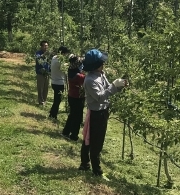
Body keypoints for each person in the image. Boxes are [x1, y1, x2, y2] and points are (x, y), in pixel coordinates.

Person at [79, 49, 128, 180]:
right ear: (96, 65)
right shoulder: (89, 80)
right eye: (102, 62)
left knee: (89, 139)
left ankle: (85, 164)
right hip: (96, 114)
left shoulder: (100, 74)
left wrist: (119, 86)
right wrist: (113, 86)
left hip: (102, 111)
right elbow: (100, 97)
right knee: (96, 142)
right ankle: (96, 170)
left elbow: (108, 89)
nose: (104, 65)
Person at [61, 54, 85, 141]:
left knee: (72, 115)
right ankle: (74, 135)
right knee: (77, 117)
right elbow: (85, 79)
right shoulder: (78, 76)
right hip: (78, 97)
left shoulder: (70, 70)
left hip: (71, 96)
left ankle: (66, 131)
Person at [49, 46, 68, 120]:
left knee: (56, 99)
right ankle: (53, 115)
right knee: (57, 100)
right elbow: (64, 68)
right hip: (59, 83)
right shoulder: (59, 61)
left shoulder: (54, 58)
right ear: (63, 53)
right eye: (66, 53)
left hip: (54, 81)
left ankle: (52, 113)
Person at [33, 41, 51, 106]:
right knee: (40, 88)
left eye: (47, 46)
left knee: (46, 88)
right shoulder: (38, 53)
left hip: (47, 73)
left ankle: (44, 101)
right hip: (40, 73)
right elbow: (38, 59)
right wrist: (44, 55)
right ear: (41, 46)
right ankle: (41, 102)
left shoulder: (48, 54)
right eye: (44, 46)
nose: (46, 47)